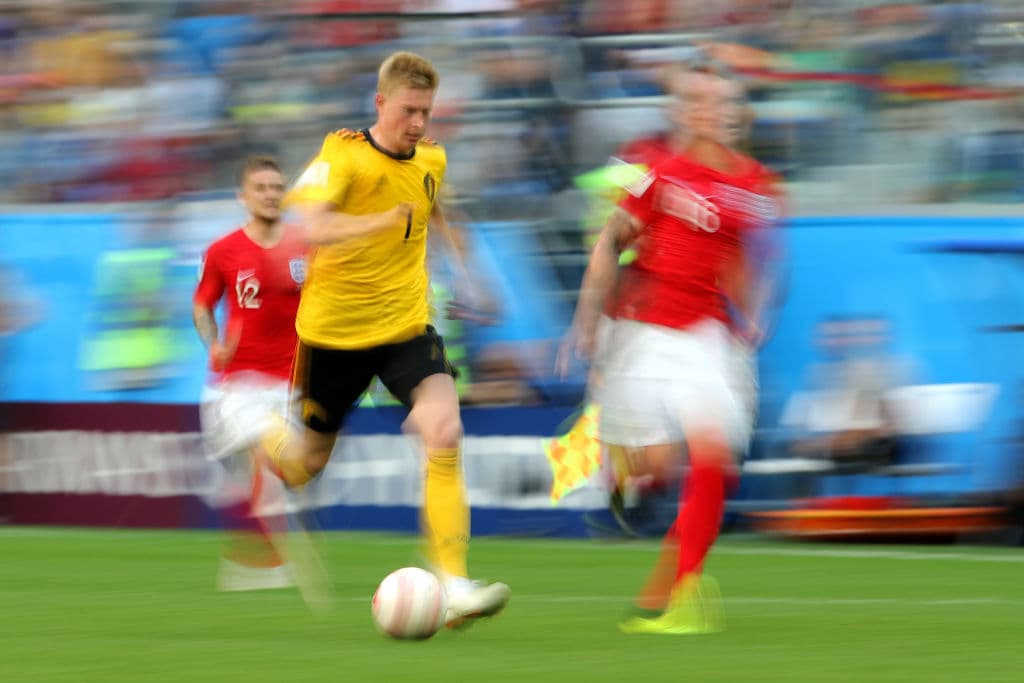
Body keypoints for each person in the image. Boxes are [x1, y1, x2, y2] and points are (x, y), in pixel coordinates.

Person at [258, 51, 510, 627]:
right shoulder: (341, 153)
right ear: (380, 103)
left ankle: (453, 584)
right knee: (302, 466)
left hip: (404, 328)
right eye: (407, 111)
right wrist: (378, 221)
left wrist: (475, 275)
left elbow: (435, 208)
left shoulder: (433, 158)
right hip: (331, 338)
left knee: (444, 426)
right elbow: (309, 227)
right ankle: (262, 432)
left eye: (425, 112)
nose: (417, 123)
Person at [564, 58, 780, 634]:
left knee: (713, 454)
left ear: (736, 112)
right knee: (654, 465)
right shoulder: (654, 171)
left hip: (704, 335)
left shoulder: (754, 183)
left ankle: (681, 593)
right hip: (643, 332)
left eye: (722, 102)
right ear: (683, 112)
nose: (712, 111)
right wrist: (587, 318)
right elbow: (611, 241)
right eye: (700, 101)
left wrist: (752, 310)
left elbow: (738, 253)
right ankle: (611, 466)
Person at [193, 155, 307, 592]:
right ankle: (270, 559)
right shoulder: (224, 251)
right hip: (239, 386)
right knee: (266, 447)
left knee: (280, 471)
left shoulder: (304, 247)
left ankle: (251, 559)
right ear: (243, 197)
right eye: (261, 187)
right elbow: (202, 304)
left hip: (292, 385)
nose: (271, 194)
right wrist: (214, 342)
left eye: (277, 187)